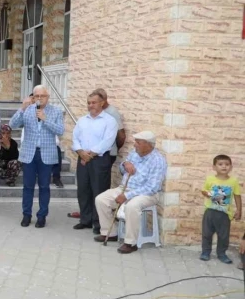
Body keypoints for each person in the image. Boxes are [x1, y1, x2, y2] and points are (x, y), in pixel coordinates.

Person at [94, 131, 167, 254]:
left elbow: (152, 187)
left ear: (148, 145)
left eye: (138, 143)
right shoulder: (134, 154)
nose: (135, 145)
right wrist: (125, 164)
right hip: (125, 188)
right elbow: (123, 169)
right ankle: (110, 233)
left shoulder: (158, 160)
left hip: (146, 194)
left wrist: (127, 196)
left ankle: (130, 242)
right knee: (101, 199)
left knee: (132, 206)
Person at [9, 85, 64, 228]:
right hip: (29, 154)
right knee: (27, 186)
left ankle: (42, 216)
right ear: (33, 97)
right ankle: (26, 215)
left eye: (42, 96)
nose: (39, 99)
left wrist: (45, 119)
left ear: (48, 97)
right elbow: (12, 124)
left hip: (46, 154)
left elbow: (60, 131)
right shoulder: (27, 110)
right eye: (36, 96)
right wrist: (22, 108)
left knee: (44, 186)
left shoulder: (56, 111)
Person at [71, 91, 119, 234]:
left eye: (94, 102)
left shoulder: (110, 121)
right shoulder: (82, 120)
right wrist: (80, 152)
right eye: (89, 103)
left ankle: (98, 224)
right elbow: (75, 138)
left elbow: (107, 141)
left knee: (99, 191)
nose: (90, 105)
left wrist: (89, 155)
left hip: (99, 159)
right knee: (83, 190)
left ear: (102, 103)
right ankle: (85, 220)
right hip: (83, 158)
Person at [199, 155, 241, 264]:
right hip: (210, 212)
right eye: (220, 164)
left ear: (231, 167)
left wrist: (239, 210)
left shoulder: (233, 181)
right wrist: (208, 194)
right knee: (207, 233)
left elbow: (237, 195)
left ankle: (221, 253)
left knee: (223, 235)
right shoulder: (210, 179)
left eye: (227, 164)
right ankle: (205, 252)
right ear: (214, 167)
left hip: (224, 214)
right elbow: (204, 191)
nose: (224, 167)